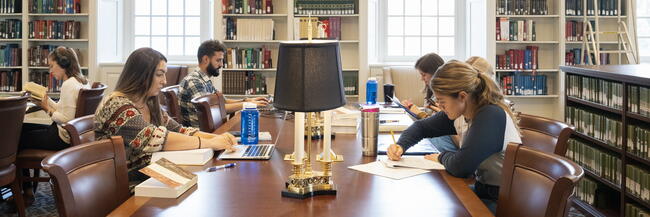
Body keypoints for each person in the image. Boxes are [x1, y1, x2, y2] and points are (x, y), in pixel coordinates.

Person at [387, 60, 522, 213]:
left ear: (462, 96)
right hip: (485, 190)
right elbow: (421, 127)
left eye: (442, 101)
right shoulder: (462, 111)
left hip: (505, 201)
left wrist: (441, 157)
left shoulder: (490, 115)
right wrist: (401, 145)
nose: (440, 106)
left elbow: (461, 167)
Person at [94, 47, 238, 189]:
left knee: (200, 186)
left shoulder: (148, 102)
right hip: (127, 187)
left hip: (152, 175)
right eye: (159, 74)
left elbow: (179, 130)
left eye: (165, 74)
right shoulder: (116, 105)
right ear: (140, 75)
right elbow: (157, 138)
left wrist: (218, 139)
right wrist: (210, 143)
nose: (164, 81)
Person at [18, 46, 90, 203]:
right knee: (21, 129)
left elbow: (66, 120)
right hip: (70, 135)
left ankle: (26, 192)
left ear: (63, 63)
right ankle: (25, 189)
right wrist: (43, 99)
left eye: (52, 66)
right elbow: (64, 108)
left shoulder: (69, 85)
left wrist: (46, 109)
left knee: (16, 138)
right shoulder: (81, 81)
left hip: (61, 138)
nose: (50, 71)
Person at [178, 39, 269, 128]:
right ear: (205, 59)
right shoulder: (194, 81)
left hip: (211, 130)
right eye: (218, 60)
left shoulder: (204, 80)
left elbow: (222, 101)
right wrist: (249, 105)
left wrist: (247, 100)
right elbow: (212, 110)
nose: (221, 65)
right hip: (202, 134)